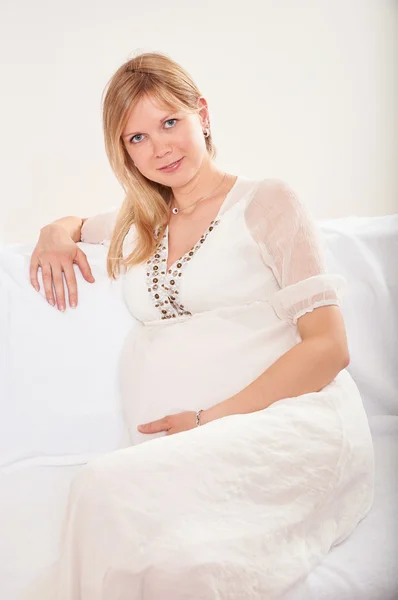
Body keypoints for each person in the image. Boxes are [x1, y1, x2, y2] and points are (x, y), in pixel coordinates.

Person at [23, 51, 374, 599]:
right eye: (136, 137)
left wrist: (208, 418)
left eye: (169, 122)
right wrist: (53, 232)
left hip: (285, 423)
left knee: (104, 495)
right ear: (123, 152)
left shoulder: (267, 202)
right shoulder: (138, 223)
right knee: (140, 540)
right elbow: (71, 223)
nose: (159, 147)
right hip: (188, 440)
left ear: (202, 115)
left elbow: (329, 347)